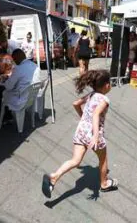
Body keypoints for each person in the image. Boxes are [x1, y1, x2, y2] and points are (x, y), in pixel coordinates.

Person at [42, 70, 118, 198]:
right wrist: (95, 136)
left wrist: (83, 117)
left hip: (81, 131)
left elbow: (75, 104)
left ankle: (54, 177)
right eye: (109, 83)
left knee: (75, 160)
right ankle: (104, 184)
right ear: (106, 85)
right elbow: (96, 114)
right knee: (103, 159)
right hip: (93, 135)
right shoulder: (104, 99)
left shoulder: (91, 95)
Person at [1, 49, 41, 114]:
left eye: (14, 59)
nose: (14, 61)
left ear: (17, 58)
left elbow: (8, 86)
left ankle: (6, 117)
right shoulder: (35, 65)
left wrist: (4, 81)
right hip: (32, 96)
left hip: (21, 99)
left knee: (3, 92)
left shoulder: (18, 68)